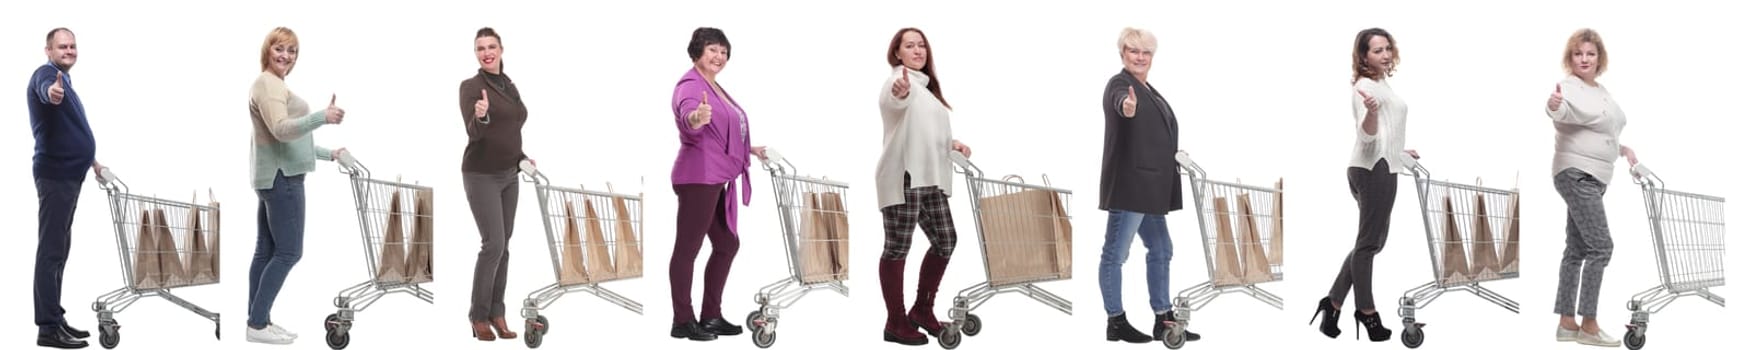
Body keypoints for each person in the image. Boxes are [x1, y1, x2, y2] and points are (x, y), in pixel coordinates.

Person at [1096, 27, 1200, 344]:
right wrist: (1126, 108)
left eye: (1146, 52)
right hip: (1131, 185)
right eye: (1133, 51)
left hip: (1151, 187)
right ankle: (1116, 321)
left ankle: (1162, 318)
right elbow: (1121, 104)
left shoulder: (1149, 89)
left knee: (1161, 249)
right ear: (1122, 54)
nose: (1140, 57)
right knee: (1115, 254)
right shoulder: (1121, 85)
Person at [246, 26, 348, 345]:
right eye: (280, 48)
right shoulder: (268, 85)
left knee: (267, 251)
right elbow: (281, 130)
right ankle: (258, 323)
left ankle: (257, 319)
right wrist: (322, 117)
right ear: (267, 50)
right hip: (283, 179)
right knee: (289, 252)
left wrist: (329, 154)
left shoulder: (273, 84)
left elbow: (291, 143)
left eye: (292, 51)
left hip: (271, 176)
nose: (286, 56)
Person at [1310, 27, 1413, 343]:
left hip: (1383, 164)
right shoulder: (1364, 88)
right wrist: (1370, 114)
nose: (1384, 54)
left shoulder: (1382, 84)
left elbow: (1386, 131)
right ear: (1364, 56)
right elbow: (1367, 133)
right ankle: (1367, 313)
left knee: (1370, 242)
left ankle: (1333, 302)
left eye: (1387, 49)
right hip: (1373, 169)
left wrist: (1400, 152)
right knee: (1369, 245)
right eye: (1377, 50)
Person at [876, 27, 973, 347]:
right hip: (904, 175)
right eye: (910, 46)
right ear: (897, 53)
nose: (918, 51)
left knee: (946, 240)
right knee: (897, 248)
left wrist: (952, 143)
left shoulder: (927, 89)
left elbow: (925, 132)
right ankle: (895, 321)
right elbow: (895, 100)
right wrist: (900, 92)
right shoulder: (898, 82)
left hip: (930, 178)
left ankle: (922, 309)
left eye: (922, 46)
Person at [669, 26, 765, 342]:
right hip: (698, 177)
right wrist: (696, 117)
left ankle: (710, 316)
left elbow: (722, 132)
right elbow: (689, 117)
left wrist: (748, 149)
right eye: (712, 49)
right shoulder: (691, 84)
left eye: (723, 51)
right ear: (697, 51)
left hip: (714, 177)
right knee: (688, 249)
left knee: (727, 244)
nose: (719, 56)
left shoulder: (715, 85)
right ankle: (683, 320)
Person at [1545, 28, 1632, 348]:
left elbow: (1606, 130)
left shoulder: (1601, 91)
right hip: (1575, 173)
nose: (1584, 59)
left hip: (1596, 176)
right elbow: (1560, 112)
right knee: (1602, 247)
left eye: (1590, 54)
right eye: (1578, 54)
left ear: (1599, 58)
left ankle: (1567, 323)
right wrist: (1554, 104)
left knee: (1578, 249)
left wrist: (1623, 149)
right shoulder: (1569, 88)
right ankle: (1590, 325)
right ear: (1570, 58)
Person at [29, 27, 101, 350]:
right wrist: (51, 92)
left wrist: (94, 162)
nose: (69, 50)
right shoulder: (46, 75)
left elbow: (73, 131)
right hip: (55, 176)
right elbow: (46, 91)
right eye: (62, 46)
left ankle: (55, 318)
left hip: (70, 176)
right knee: (51, 252)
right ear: (48, 50)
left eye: (72, 46)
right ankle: (47, 328)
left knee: (60, 251)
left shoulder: (66, 79)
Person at [458, 26, 530, 342]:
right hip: (481, 174)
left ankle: (497, 312)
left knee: (505, 246)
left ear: (501, 49)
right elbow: (475, 131)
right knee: (494, 245)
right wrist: (481, 114)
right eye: (480, 48)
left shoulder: (509, 83)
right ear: (476, 53)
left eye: (491, 46)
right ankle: (478, 316)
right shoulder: (471, 86)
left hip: (509, 174)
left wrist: (523, 157)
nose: (486, 52)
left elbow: (512, 127)